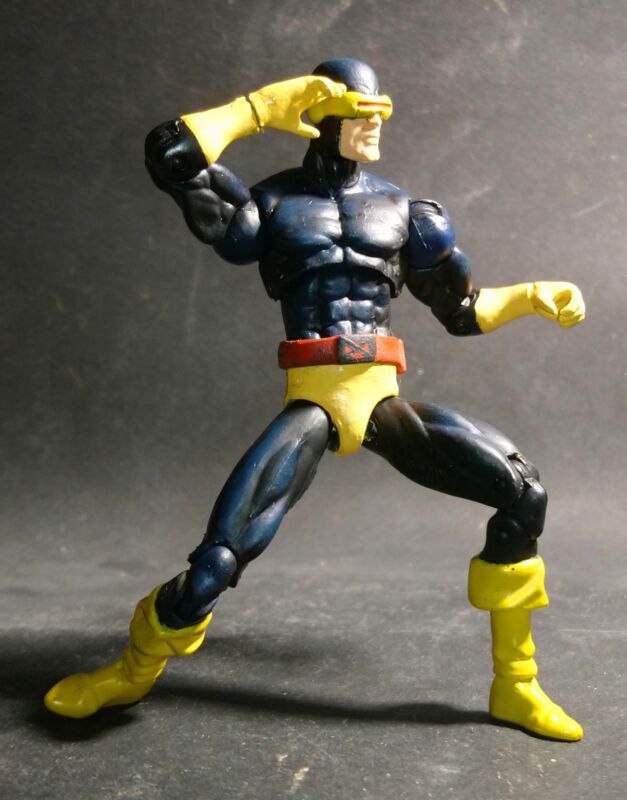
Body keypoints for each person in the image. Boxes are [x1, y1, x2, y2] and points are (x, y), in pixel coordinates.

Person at [44, 59, 585, 740]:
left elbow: (462, 310)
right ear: (322, 118)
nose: (373, 126)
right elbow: (171, 156)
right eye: (360, 114)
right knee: (215, 564)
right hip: (315, 399)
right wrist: (259, 108)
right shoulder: (272, 207)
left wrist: (532, 296)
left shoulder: (407, 212)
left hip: (382, 399)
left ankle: (516, 683)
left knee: (523, 494)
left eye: (380, 113)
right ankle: (131, 671)